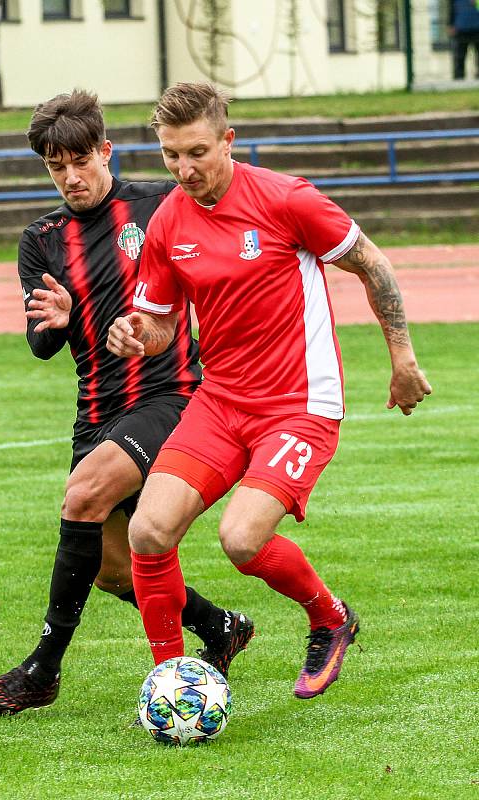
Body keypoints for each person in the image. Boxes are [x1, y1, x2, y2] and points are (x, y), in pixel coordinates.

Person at [107, 82, 432, 700]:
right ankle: (169, 679)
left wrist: (402, 357)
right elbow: (160, 326)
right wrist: (135, 333)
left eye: (197, 152)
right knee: (147, 532)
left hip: (299, 405)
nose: (184, 169)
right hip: (221, 401)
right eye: (171, 155)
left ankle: (331, 618)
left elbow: (372, 262)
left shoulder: (286, 199)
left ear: (229, 141)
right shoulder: (169, 220)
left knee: (241, 539)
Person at [0, 89, 254, 716]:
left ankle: (42, 670)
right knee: (111, 569)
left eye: (80, 161)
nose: (70, 177)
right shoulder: (40, 240)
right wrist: (61, 319)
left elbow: (214, 271)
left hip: (171, 396)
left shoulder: (160, 207)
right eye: (54, 166)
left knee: (83, 496)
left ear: (105, 150)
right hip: (95, 409)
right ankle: (221, 628)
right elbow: (41, 344)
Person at [449, 0, 479, 80]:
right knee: (459, 56)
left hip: (477, 28)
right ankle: (459, 78)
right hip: (461, 29)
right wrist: (451, 24)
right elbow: (452, 9)